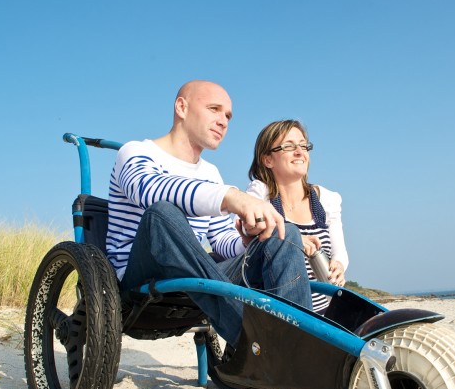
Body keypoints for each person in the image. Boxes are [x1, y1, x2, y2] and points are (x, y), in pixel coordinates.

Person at [106, 81, 312, 351]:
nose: (223, 121)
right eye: (214, 109)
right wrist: (230, 197)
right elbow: (149, 190)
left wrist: (248, 239)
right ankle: (256, 346)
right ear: (182, 107)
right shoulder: (135, 152)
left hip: (196, 279)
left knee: (284, 232)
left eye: (227, 115)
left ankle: (300, 348)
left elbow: (221, 241)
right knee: (163, 213)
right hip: (139, 280)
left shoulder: (210, 174)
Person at [247, 120, 349, 313]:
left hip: (325, 312)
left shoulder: (326, 199)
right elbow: (252, 223)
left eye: (303, 146)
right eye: (289, 146)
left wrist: (339, 266)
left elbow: (340, 252)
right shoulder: (260, 194)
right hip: (280, 312)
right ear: (268, 159)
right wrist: (292, 238)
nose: (300, 152)